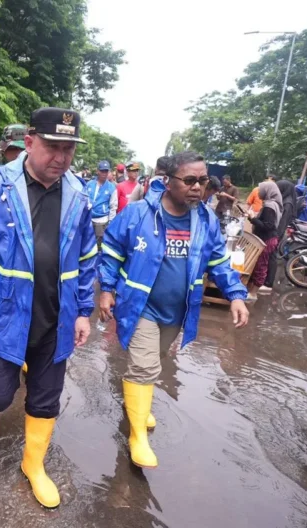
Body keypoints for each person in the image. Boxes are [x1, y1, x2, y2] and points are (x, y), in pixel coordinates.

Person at [0, 107, 97, 509]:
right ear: (30, 143)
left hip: (56, 318)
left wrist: (83, 310)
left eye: (69, 149)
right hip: (4, 316)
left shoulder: (78, 193)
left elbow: (87, 256)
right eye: (53, 147)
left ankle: (33, 465)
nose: (62, 158)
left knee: (46, 399)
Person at [98, 151, 249, 469]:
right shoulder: (139, 214)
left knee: (156, 359)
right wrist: (107, 290)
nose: (197, 187)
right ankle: (138, 437)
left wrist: (236, 294)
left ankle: (139, 404)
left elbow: (219, 261)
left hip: (177, 310)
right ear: (168, 181)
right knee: (143, 366)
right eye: (190, 180)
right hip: (141, 306)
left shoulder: (205, 220)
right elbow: (111, 251)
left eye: (202, 180)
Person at [246, 182, 283, 301]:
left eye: (261, 190)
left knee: (260, 266)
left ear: (267, 191)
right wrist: (254, 218)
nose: (259, 192)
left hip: (266, 240)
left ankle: (253, 293)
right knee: (258, 265)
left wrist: (253, 218)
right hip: (267, 238)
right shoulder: (272, 204)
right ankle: (250, 289)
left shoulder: (269, 206)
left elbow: (268, 226)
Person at [262, 179, 299, 291]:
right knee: (269, 256)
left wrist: (275, 237)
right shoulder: (284, 200)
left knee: (272, 257)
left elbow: (282, 223)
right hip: (275, 233)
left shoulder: (287, 203)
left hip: (276, 234)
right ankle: (265, 279)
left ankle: (269, 283)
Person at [86, 160, 118, 247]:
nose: (104, 173)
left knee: (99, 245)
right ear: (97, 171)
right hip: (88, 219)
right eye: (102, 171)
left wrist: (111, 222)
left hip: (102, 221)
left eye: (106, 171)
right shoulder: (89, 184)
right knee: (87, 244)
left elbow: (113, 206)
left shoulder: (111, 187)